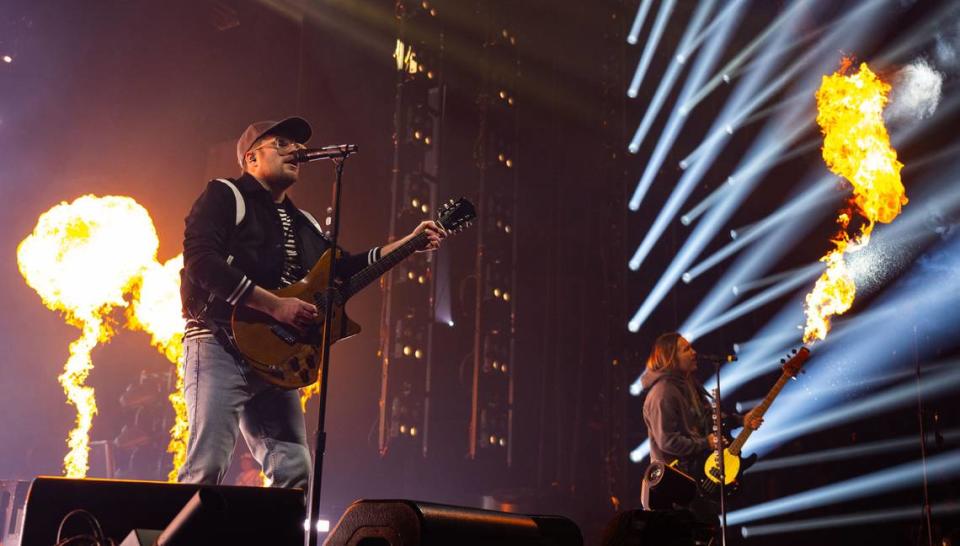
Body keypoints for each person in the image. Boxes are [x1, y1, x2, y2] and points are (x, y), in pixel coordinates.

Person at [178, 117, 446, 489]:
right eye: (283, 143)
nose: (296, 151)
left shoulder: (303, 221)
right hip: (219, 343)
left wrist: (408, 243)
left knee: (294, 470)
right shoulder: (225, 194)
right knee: (206, 465)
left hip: (276, 355)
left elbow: (344, 269)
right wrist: (275, 306)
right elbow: (200, 261)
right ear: (252, 158)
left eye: (297, 145)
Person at [640, 332, 761, 515]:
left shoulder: (687, 384)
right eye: (686, 349)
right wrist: (706, 443)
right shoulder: (662, 393)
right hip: (673, 489)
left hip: (693, 481)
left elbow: (707, 416)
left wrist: (741, 420)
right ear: (670, 358)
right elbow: (668, 441)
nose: (694, 352)